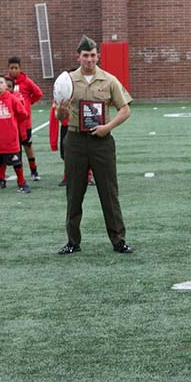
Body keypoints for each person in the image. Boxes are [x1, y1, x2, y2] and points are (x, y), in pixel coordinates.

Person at [54, 35, 133, 254]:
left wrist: (108, 127)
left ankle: (119, 240)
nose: (89, 59)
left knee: (109, 191)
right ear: (78, 56)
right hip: (75, 139)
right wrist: (62, 108)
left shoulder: (109, 79)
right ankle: (73, 241)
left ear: (98, 56)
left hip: (101, 141)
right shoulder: (67, 80)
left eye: (93, 55)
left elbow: (125, 109)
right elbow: (60, 116)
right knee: (74, 192)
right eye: (85, 55)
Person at [7, 56, 43, 181]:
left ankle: (34, 171)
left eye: (16, 68)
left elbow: (38, 93)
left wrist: (28, 103)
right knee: (12, 149)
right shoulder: (6, 82)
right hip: (11, 123)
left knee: (27, 146)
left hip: (25, 123)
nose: (13, 71)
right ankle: (11, 174)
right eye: (11, 68)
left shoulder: (27, 81)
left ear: (20, 68)